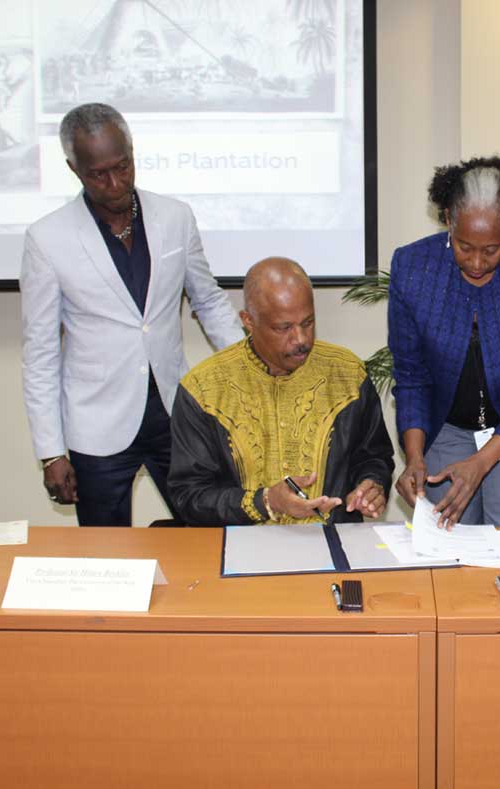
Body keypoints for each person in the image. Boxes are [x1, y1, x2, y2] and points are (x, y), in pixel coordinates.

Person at [21, 102, 242, 526]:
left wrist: (252, 368)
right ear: (74, 168)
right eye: (98, 174)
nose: (115, 182)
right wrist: (51, 451)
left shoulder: (175, 217)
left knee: (206, 533)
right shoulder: (47, 239)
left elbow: (208, 301)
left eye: (123, 167)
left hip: (177, 414)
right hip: (96, 425)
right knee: (105, 555)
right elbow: (40, 353)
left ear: (133, 153)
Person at [388, 156, 500, 528]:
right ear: (448, 221)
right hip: (445, 427)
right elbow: (412, 376)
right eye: (464, 246)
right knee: (447, 543)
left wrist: (482, 461)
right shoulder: (413, 267)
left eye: (492, 249)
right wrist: (415, 458)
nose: (476, 262)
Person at [168, 258, 394, 525]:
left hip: (331, 543)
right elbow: (189, 496)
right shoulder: (204, 390)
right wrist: (264, 502)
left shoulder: (347, 375)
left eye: (308, 322)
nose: (300, 339)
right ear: (248, 321)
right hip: (242, 549)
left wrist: (372, 484)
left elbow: (373, 456)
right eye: (283, 327)